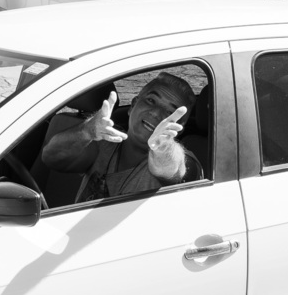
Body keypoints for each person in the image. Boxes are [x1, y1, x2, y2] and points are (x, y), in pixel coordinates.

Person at [41, 73, 202, 202]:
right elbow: (51, 158)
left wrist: (163, 147)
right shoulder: (105, 140)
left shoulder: (186, 161)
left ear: (179, 129)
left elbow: (174, 170)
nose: (155, 113)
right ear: (132, 106)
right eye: (151, 100)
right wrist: (87, 131)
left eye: (169, 112)